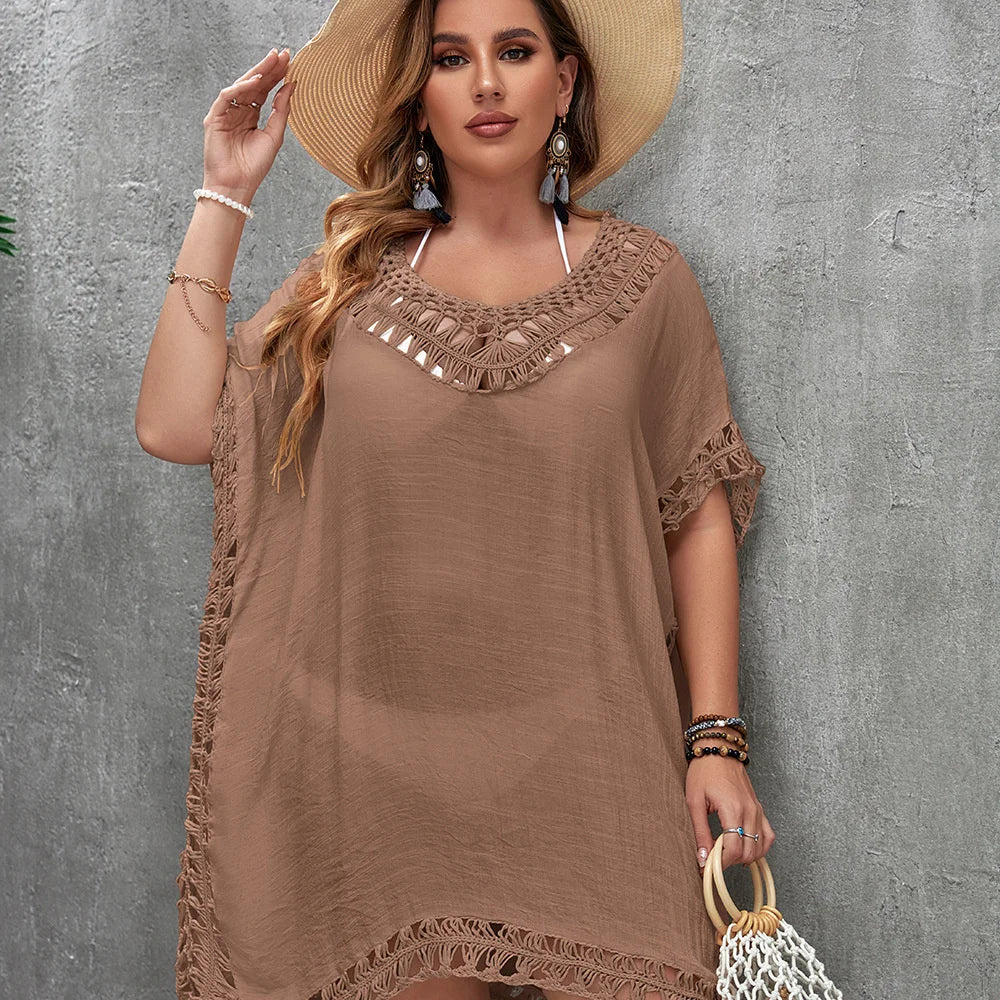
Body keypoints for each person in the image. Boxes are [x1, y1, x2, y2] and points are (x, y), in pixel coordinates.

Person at [135, 2, 775, 1000]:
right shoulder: (346, 288)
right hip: (383, 776)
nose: (484, 83)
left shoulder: (649, 283)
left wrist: (715, 741)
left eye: (514, 51)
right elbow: (177, 424)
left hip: (591, 748)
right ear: (420, 95)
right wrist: (224, 191)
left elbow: (694, 511)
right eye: (449, 58)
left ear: (563, 81)